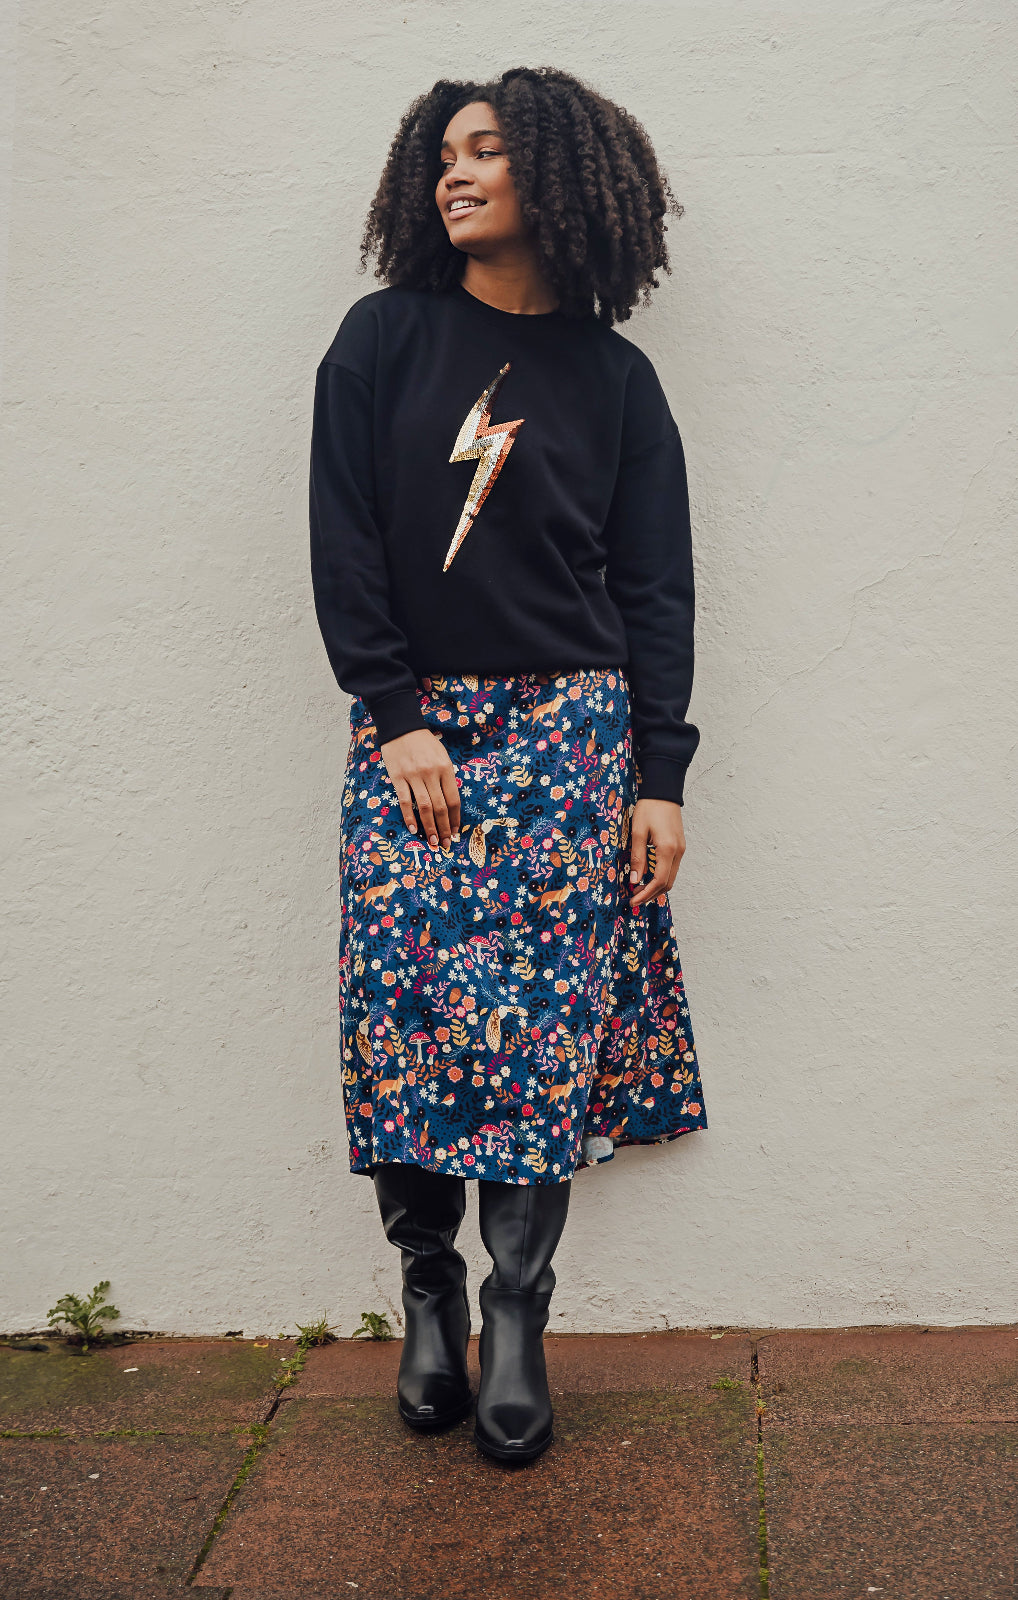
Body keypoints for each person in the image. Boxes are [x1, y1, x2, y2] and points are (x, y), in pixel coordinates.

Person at [309, 65, 709, 1465]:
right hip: (416, 739)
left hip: (570, 745)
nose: (452, 173)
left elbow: (654, 590)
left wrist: (660, 775)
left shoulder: (614, 379)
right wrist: (395, 711)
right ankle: (427, 1295)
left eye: (485, 152)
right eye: (442, 156)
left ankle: (517, 1313)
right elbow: (346, 541)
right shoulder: (380, 343)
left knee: (539, 1037)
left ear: (558, 174)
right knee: (406, 1021)